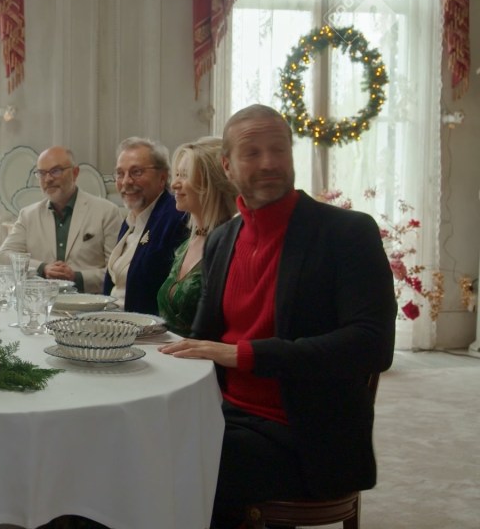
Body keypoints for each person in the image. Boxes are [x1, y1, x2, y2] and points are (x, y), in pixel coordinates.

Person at [159, 104, 396, 528]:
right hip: (225, 413)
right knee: (130, 443)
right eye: (252, 153)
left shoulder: (346, 233)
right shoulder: (223, 239)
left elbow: (372, 345)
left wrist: (246, 354)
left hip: (304, 435)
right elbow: (202, 340)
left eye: (279, 149)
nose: (269, 162)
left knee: (174, 466)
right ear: (228, 166)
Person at [0, 146, 122, 294]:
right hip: (41, 301)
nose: (48, 179)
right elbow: (3, 257)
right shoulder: (28, 215)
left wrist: (77, 277)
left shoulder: (107, 212)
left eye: (56, 171)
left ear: (75, 173)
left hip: (90, 302)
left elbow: (118, 272)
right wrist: (42, 268)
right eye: (41, 173)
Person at [156, 137, 237, 336]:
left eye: (185, 175)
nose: (174, 184)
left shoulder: (232, 246)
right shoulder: (185, 245)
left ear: (211, 184)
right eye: (176, 174)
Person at [103, 137, 188, 314]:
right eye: (120, 174)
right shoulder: (131, 219)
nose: (126, 182)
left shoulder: (175, 218)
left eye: (136, 172)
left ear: (162, 177)